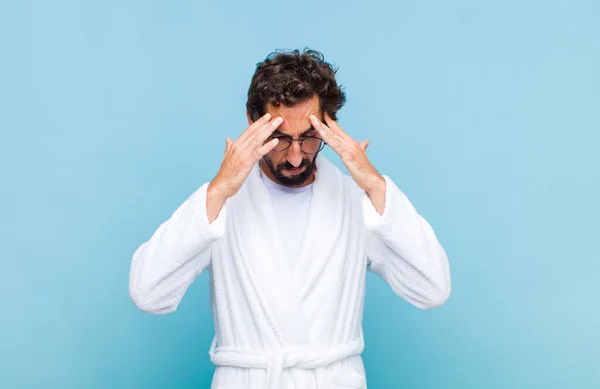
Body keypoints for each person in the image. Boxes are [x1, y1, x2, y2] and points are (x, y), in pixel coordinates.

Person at [129, 48, 451, 389]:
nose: (296, 156)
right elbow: (148, 293)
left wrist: (375, 185)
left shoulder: (358, 203)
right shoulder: (221, 204)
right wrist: (217, 191)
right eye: (280, 139)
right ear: (253, 123)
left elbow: (432, 290)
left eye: (310, 138)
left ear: (330, 128)